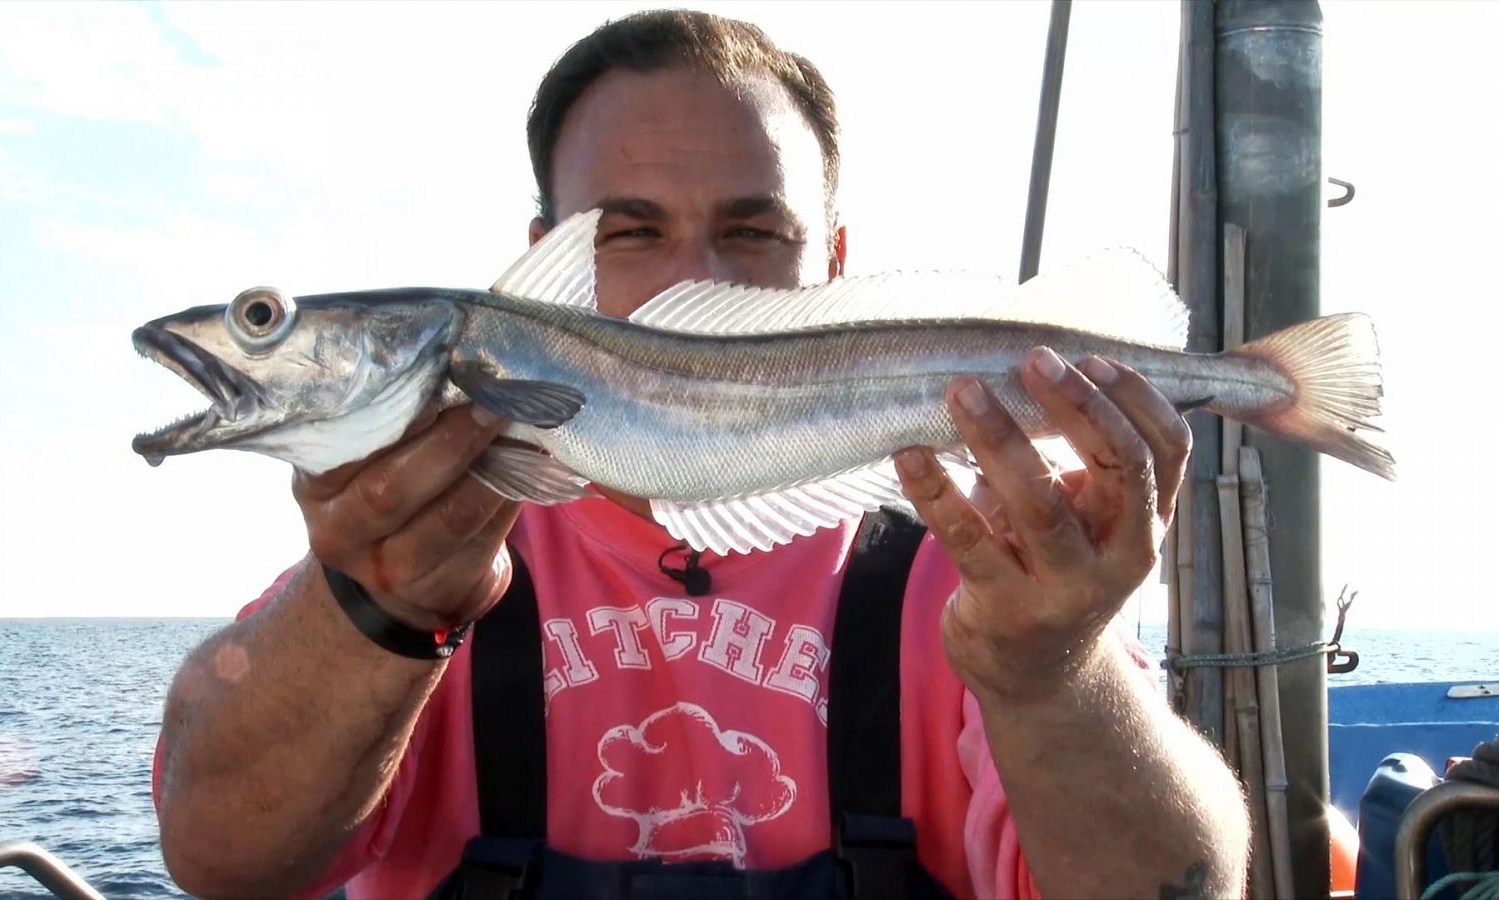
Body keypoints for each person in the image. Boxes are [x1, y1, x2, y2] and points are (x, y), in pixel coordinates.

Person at [153, 10, 1249, 899]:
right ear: (543, 264)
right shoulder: (409, 547)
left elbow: (1180, 888)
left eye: (756, 230)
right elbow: (222, 863)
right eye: (627, 232)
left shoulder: (990, 571)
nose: (694, 280)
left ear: (836, 262)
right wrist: (370, 617)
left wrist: (1051, 671)